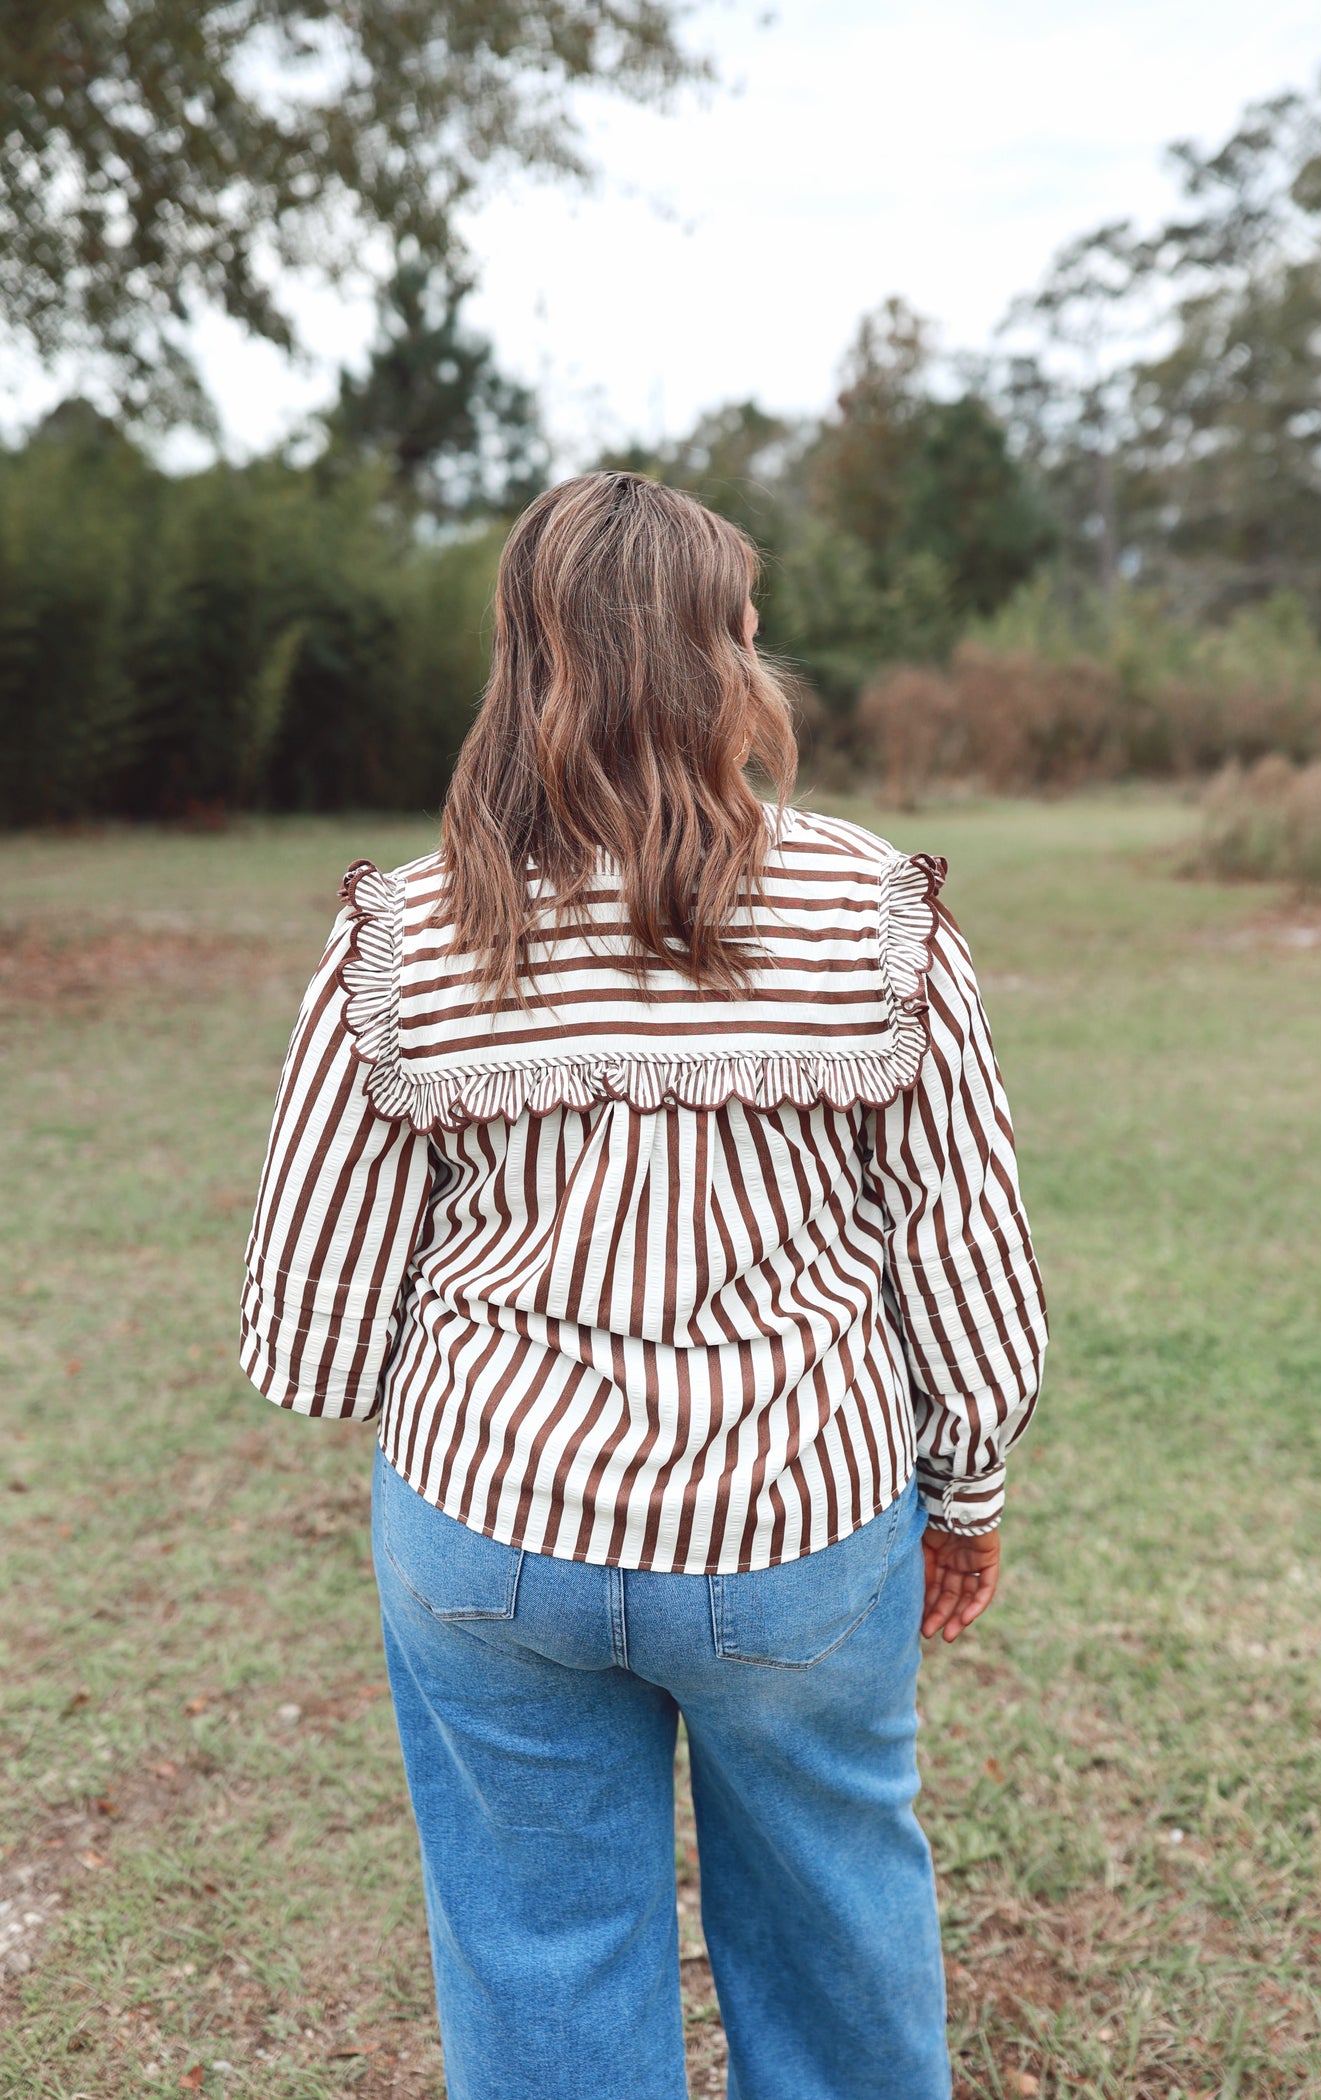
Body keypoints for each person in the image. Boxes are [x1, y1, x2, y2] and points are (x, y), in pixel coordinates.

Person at [240, 471, 1047, 2100]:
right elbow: (969, 1262)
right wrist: (964, 1495)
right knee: (836, 1919)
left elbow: (313, 1327)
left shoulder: (403, 935)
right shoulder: (875, 918)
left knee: (534, 1943)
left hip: (486, 1539)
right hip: (801, 1527)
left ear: (526, 665)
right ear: (724, 659)